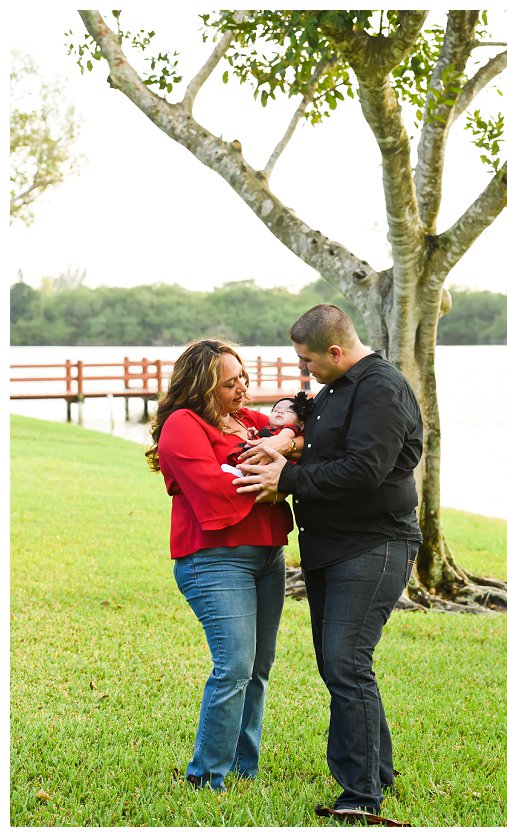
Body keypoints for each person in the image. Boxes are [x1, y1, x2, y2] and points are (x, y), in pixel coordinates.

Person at [234, 304, 423, 825]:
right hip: (329, 546)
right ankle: (377, 771)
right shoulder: (338, 387)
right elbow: (314, 428)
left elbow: (364, 470)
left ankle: (361, 796)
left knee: (345, 664)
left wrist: (286, 481)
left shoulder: (381, 389)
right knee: (340, 663)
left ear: (335, 352)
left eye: (307, 361)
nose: (303, 371)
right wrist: (287, 423)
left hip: (374, 544)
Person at [147, 339, 294, 791]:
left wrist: (283, 443)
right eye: (230, 384)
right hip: (213, 560)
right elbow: (215, 491)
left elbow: (296, 432)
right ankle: (207, 776)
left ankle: (243, 768)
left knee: (258, 668)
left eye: (243, 378)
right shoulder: (182, 426)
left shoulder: (246, 421)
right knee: (233, 666)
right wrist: (275, 472)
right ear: (201, 387)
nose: (243, 389)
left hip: (268, 556)